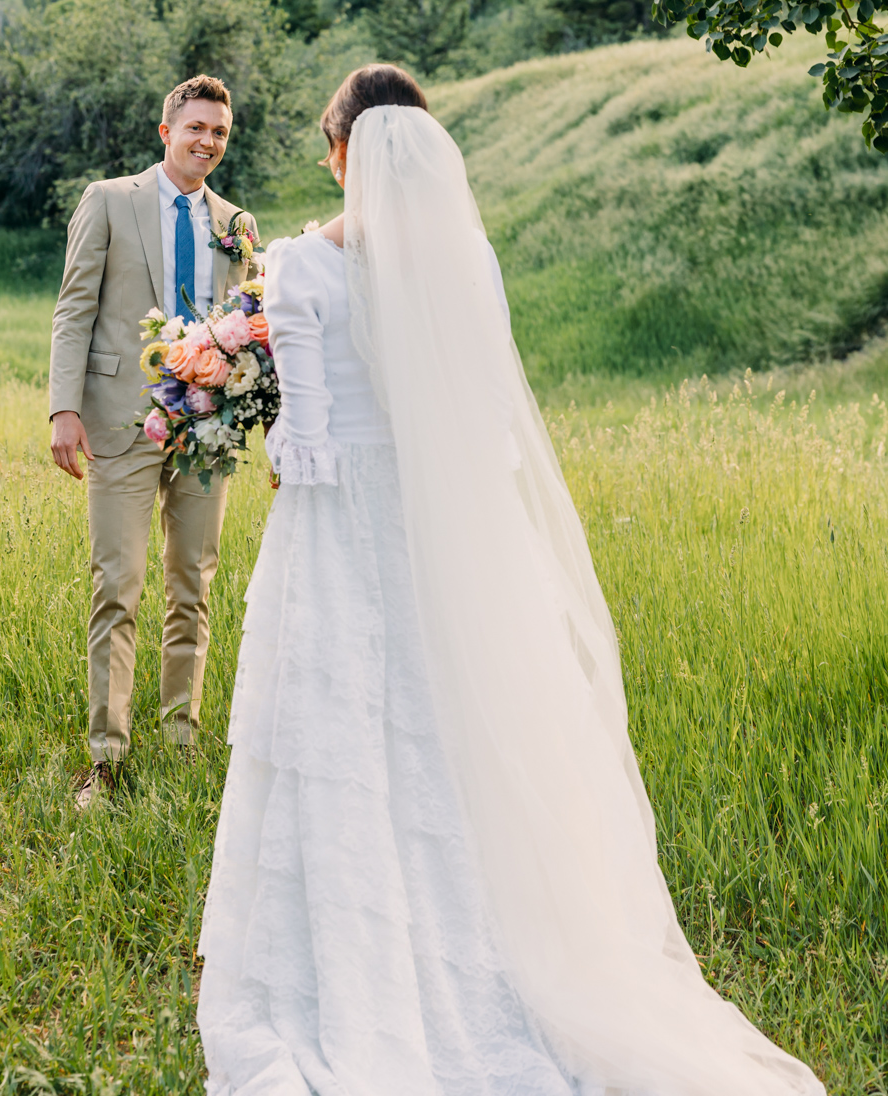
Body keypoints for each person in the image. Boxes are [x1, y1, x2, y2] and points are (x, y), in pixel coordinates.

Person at [197, 64, 824, 1096]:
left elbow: (300, 450)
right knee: (456, 739)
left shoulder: (301, 267)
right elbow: (489, 433)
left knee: (348, 736)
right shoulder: (467, 263)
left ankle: (359, 963)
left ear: (345, 150)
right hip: (446, 539)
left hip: (338, 537)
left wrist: (257, 421)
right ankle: (500, 950)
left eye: (326, 139)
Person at [49, 74, 259, 811]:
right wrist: (62, 409)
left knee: (192, 586)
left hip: (207, 425)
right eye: (196, 127)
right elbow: (75, 306)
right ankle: (105, 757)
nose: (207, 141)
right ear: (165, 129)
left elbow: (249, 326)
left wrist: (251, 412)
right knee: (118, 583)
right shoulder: (109, 200)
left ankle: (179, 743)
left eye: (219, 132)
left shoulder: (237, 223)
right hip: (116, 418)